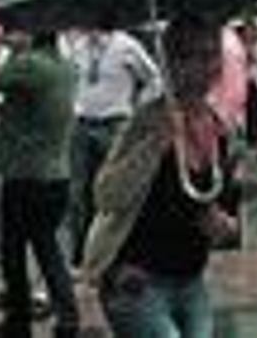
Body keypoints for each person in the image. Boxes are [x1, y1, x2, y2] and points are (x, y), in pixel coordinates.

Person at [82, 17, 241, 338]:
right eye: (190, 56)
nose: (204, 66)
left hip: (191, 280)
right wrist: (155, 144)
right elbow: (106, 196)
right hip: (137, 279)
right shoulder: (148, 120)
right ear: (169, 63)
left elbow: (229, 216)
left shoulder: (221, 127)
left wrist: (224, 226)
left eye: (211, 55)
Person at [0, 30, 81, 338]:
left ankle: (19, 321)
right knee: (47, 247)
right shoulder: (67, 66)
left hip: (26, 174)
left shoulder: (31, 65)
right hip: (57, 174)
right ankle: (68, 317)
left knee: (12, 251)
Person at [64, 24, 160, 265]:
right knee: (77, 192)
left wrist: (139, 108)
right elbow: (72, 80)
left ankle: (109, 254)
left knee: (111, 191)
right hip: (82, 124)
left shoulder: (126, 46)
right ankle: (80, 255)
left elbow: (153, 78)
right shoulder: (79, 47)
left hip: (114, 124)